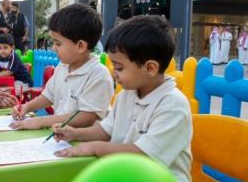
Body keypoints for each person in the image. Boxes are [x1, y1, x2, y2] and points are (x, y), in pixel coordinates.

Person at [52, 15, 192, 182]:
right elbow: (105, 130)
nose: (113, 73)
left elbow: (144, 156)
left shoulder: (172, 105)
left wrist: (95, 148)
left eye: (119, 67)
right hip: (127, 173)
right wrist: (75, 134)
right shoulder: (126, 95)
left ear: (150, 68)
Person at [10, 4, 114, 130]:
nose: (53, 48)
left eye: (58, 43)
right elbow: (48, 96)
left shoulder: (98, 75)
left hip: (84, 142)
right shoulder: (63, 66)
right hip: (61, 137)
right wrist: (26, 107)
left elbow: (87, 117)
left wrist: (42, 121)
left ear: (80, 46)